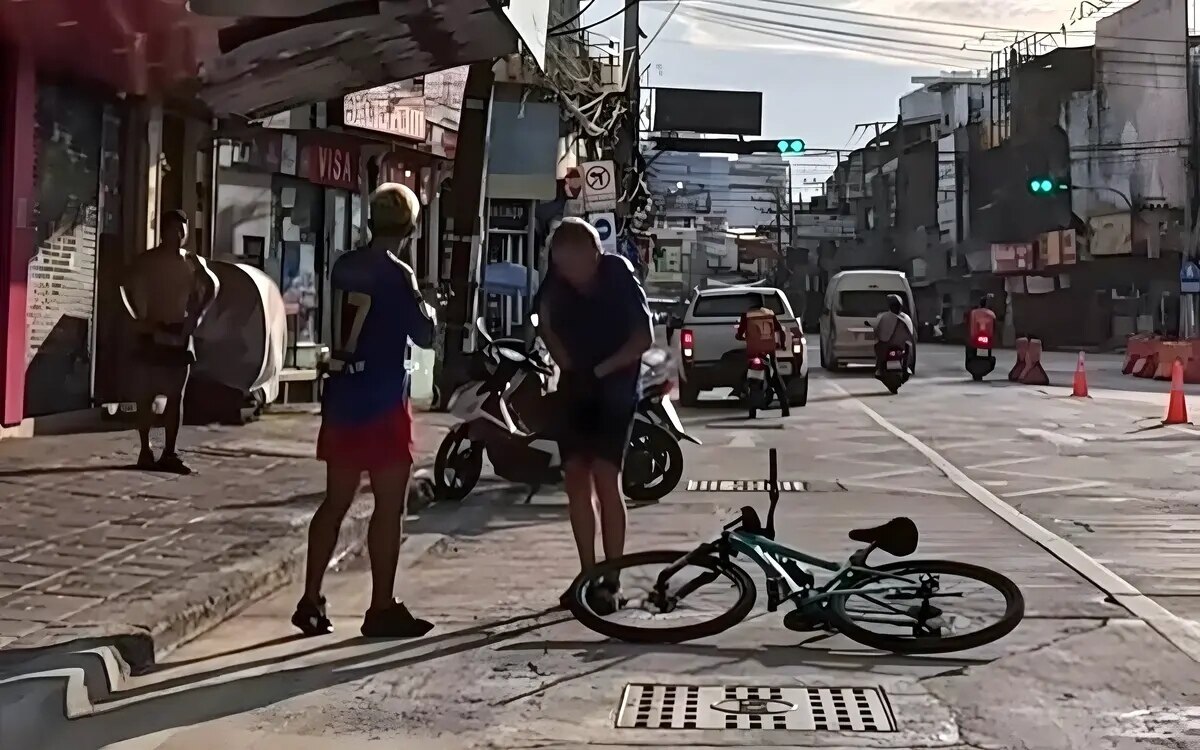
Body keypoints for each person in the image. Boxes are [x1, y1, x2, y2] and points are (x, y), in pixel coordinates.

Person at [293, 183, 437, 639]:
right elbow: (425, 333)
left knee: (336, 501)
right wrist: (430, 307)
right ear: (411, 228)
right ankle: (381, 606)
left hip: (343, 394)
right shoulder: (398, 274)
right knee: (389, 505)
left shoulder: (345, 266)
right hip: (381, 398)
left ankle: (311, 597)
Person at [539, 217, 652, 614]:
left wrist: (599, 372)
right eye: (562, 264)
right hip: (575, 387)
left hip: (615, 390)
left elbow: (644, 338)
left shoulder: (617, 274)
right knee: (575, 479)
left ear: (594, 253)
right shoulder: (555, 282)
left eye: (576, 264)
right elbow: (546, 324)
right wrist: (567, 365)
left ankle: (611, 577)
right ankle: (587, 574)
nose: (570, 273)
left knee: (606, 477)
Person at [121, 209, 219, 475]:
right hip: (151, 332)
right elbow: (123, 289)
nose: (176, 235)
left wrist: (196, 317)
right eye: (172, 229)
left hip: (179, 333)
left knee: (176, 396)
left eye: (181, 230)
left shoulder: (191, 262)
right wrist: (138, 320)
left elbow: (212, 286)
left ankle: (170, 451)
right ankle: (145, 448)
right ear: (162, 231)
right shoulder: (147, 261)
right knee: (147, 397)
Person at [735, 301, 790, 417]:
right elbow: (780, 331)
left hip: (753, 353)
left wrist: (740, 336)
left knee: (745, 376)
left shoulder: (747, 315)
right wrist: (782, 345)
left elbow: (740, 333)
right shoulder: (769, 314)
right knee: (777, 380)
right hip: (769, 352)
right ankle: (785, 408)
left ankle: (742, 393)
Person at [873, 294, 915, 375]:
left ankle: (880, 367)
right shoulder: (906, 317)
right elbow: (910, 334)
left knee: (878, 346)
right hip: (899, 345)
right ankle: (905, 367)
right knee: (909, 346)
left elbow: (877, 331)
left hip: (888, 344)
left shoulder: (883, 316)